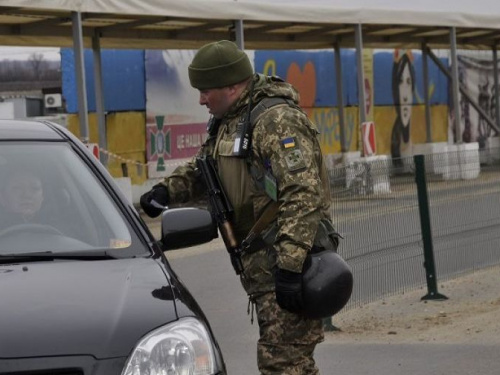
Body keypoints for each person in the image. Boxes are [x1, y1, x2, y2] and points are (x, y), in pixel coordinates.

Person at [140, 40, 332, 374]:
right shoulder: (230, 119)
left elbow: (303, 194)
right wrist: (166, 191)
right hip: (264, 270)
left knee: (282, 364)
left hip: (290, 267)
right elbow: (207, 169)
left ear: (232, 86)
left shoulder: (275, 121)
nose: (201, 99)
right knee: (291, 365)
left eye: (205, 90)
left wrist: (288, 266)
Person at [391, 49, 415, 170]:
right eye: (401, 82)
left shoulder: (413, 125)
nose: (405, 95)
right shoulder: (397, 128)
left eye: (409, 82)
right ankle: (398, 164)